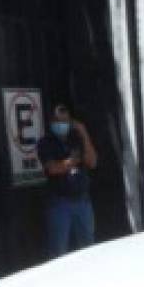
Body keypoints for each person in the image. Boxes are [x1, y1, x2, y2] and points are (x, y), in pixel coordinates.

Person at [36, 103, 98, 257]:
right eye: (58, 121)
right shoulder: (45, 143)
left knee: (88, 248)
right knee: (59, 251)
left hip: (82, 202)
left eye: (65, 121)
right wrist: (72, 162)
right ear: (51, 122)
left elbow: (92, 162)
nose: (61, 124)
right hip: (60, 204)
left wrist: (83, 133)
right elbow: (52, 168)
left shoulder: (76, 139)